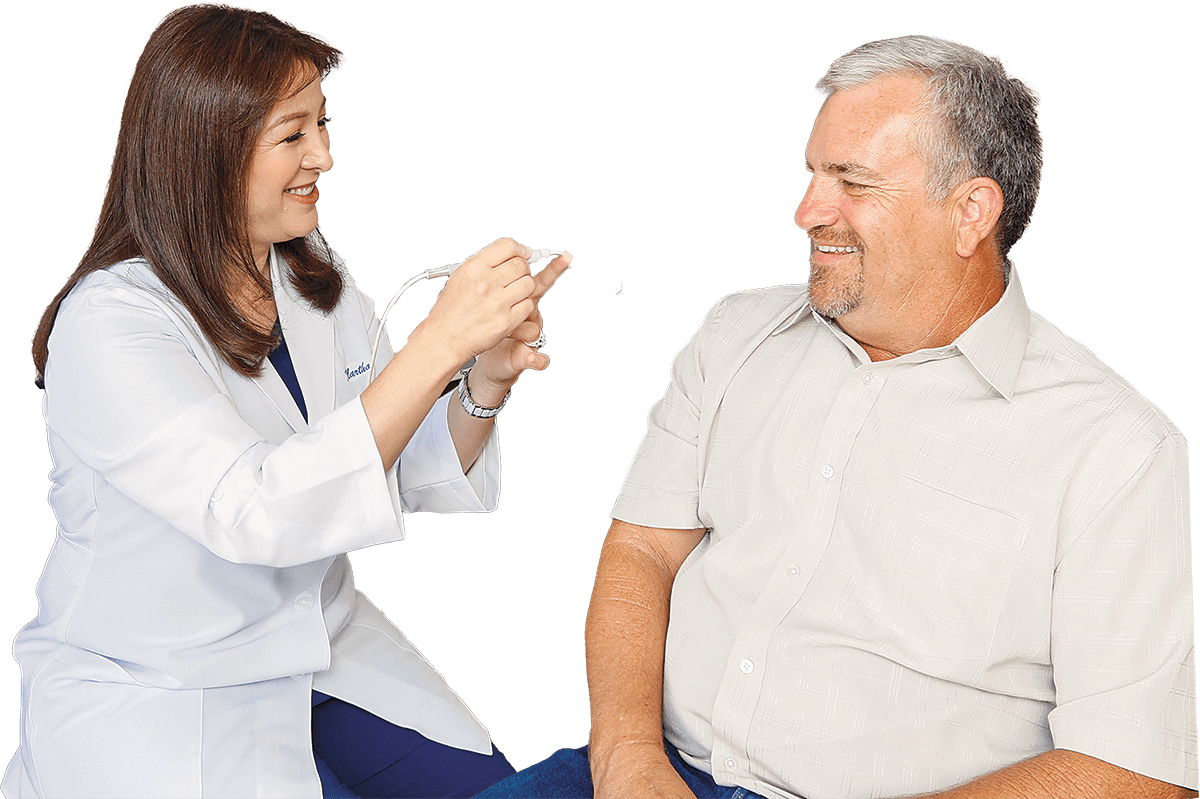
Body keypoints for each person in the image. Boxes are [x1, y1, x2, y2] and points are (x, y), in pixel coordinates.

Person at [476, 34, 1197, 799]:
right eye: (813, 173)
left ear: (971, 213)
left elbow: (1132, 768)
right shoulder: (734, 333)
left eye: (852, 181)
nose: (806, 211)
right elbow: (642, 552)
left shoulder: (1117, 447)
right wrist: (626, 758)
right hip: (646, 773)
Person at [2, 4, 572, 798]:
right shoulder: (110, 324)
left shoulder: (309, 273)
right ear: (209, 148)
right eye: (293, 134)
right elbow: (255, 511)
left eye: (323, 124)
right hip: (170, 689)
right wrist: (436, 343)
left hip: (325, 645)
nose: (325, 156)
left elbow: (391, 462)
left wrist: (484, 377)